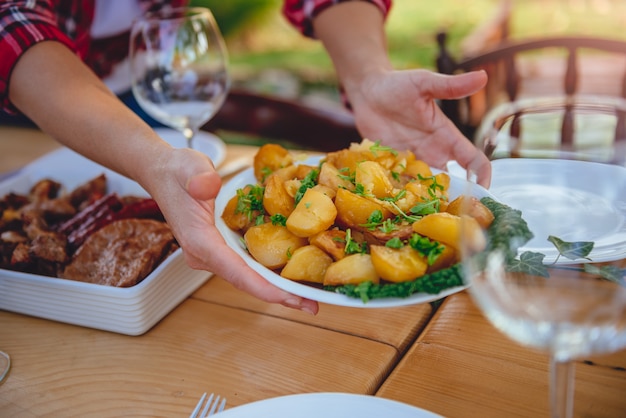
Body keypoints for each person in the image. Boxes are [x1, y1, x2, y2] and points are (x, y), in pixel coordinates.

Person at [0, 1, 489, 315]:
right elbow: (10, 22)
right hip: (42, 97)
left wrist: (366, 76)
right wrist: (154, 161)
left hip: (149, 72)